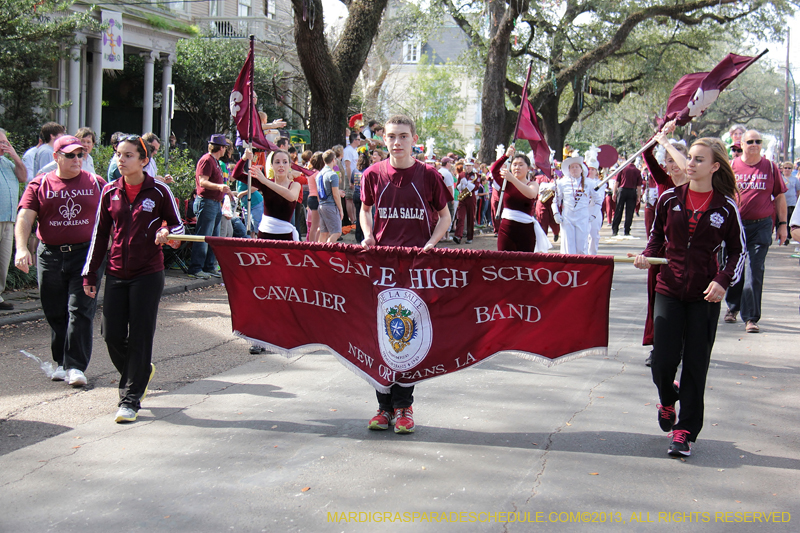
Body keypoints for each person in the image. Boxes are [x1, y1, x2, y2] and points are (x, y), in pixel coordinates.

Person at [633, 138, 744, 457]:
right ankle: (667, 400)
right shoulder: (669, 198)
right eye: (689, 158)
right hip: (668, 289)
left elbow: (738, 251)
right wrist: (646, 256)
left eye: (698, 159)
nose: (690, 163)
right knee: (663, 362)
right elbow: (656, 238)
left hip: (704, 297)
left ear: (714, 167)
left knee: (696, 364)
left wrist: (723, 280)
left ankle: (685, 431)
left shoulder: (726, 206)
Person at [360, 114, 452, 434]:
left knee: (405, 336)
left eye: (402, 136)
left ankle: (404, 407)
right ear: (383, 140)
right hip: (381, 267)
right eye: (390, 137)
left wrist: (429, 245)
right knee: (381, 336)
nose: (396, 142)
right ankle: (383, 408)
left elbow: (445, 216)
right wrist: (368, 234)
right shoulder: (372, 174)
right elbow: (365, 209)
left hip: (415, 269)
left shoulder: (428, 175)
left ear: (414, 138)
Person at [82, 135, 184, 423]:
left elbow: (178, 224)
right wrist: (90, 273)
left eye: (128, 155)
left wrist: (168, 234)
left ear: (144, 160)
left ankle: (129, 400)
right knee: (110, 334)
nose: (121, 160)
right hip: (115, 272)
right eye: (118, 155)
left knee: (140, 335)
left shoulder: (159, 191)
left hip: (148, 273)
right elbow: (99, 235)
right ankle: (140, 371)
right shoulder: (109, 192)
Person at [14, 135, 107, 386]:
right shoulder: (40, 183)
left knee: (80, 309)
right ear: (56, 157)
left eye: (81, 154)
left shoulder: (96, 183)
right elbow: (25, 218)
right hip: (50, 255)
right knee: (55, 310)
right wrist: (21, 248)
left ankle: (75, 366)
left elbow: (115, 215)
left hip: (86, 255)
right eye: (70, 155)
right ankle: (61, 362)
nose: (77, 159)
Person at [724, 130, 788, 333]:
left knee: (754, 270)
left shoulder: (769, 167)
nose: (754, 144)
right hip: (735, 226)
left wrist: (783, 224)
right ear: (741, 144)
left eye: (758, 141)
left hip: (761, 226)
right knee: (735, 268)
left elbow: (779, 197)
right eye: (750, 141)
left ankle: (751, 318)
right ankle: (733, 307)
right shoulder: (731, 167)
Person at [641, 123, 689, 366]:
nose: (671, 165)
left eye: (676, 160)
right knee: (656, 299)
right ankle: (657, 346)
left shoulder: (695, 186)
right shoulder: (662, 180)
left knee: (682, 301)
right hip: (659, 250)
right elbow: (646, 153)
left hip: (685, 253)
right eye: (668, 160)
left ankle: (681, 345)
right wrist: (661, 132)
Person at [188, 134, 232, 279]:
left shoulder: (215, 161)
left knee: (213, 237)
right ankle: (196, 268)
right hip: (206, 202)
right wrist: (219, 187)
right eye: (225, 147)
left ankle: (209, 266)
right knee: (203, 236)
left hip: (214, 203)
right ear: (221, 147)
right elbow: (203, 181)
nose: (226, 150)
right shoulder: (207, 160)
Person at [489, 146, 541, 252]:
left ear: (528, 168)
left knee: (525, 262)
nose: (517, 168)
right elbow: (494, 170)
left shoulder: (533, 184)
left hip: (526, 229)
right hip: (507, 228)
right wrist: (506, 156)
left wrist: (512, 179)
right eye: (514, 164)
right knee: (504, 260)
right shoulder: (506, 183)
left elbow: (531, 194)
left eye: (521, 165)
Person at [245, 149, 301, 241]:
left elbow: (291, 197)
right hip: (265, 233)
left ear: (290, 165)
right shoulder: (265, 182)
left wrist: (265, 181)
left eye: (285, 162)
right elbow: (237, 174)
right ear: (272, 165)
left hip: (285, 234)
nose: (281, 165)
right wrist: (244, 158)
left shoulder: (295, 185)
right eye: (277, 162)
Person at [0, 129, 27, 310]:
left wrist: (16, 157)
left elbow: (23, 177)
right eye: (1, 142)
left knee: (3, 261)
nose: (4, 145)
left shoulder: (8, 163)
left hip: (9, 220)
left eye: (6, 142)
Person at [553, 155, 593, 254]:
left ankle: (582, 267)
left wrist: (593, 214)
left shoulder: (590, 183)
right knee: (568, 246)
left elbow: (597, 200)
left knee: (582, 245)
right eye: (572, 167)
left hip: (582, 217)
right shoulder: (561, 183)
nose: (574, 169)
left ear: (581, 169)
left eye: (577, 167)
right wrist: (556, 213)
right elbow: (555, 200)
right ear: (569, 169)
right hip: (567, 217)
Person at [317, 150, 344, 243]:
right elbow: (336, 195)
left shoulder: (319, 174)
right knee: (337, 232)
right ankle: (327, 251)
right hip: (330, 205)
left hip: (321, 205)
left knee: (324, 233)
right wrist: (341, 209)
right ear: (333, 160)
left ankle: (319, 253)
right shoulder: (333, 175)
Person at [611, 163, 643, 236]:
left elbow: (617, 182)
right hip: (632, 191)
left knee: (619, 210)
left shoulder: (622, 168)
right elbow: (639, 186)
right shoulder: (637, 171)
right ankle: (627, 230)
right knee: (629, 212)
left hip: (622, 190)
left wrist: (614, 192)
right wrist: (638, 196)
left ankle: (615, 229)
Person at [453, 162, 478, 244]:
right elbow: (457, 186)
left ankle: (469, 237)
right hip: (463, 198)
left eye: (470, 165)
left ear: (472, 166)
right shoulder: (461, 174)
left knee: (470, 217)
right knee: (460, 217)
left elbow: (476, 187)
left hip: (471, 197)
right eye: (467, 165)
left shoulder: (476, 175)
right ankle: (458, 236)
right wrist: (461, 185)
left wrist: (467, 184)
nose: (468, 167)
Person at [586, 159, 606, 255]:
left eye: (593, 169)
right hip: (583, 211)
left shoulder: (600, 184)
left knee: (594, 236)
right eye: (589, 169)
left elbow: (600, 199)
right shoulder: (582, 182)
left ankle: (592, 255)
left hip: (595, 211)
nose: (590, 171)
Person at [305, 152, 324, 242]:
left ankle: (312, 243)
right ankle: (313, 244)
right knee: (317, 226)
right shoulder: (318, 174)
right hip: (316, 199)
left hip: (311, 198)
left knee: (314, 226)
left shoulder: (310, 172)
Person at [780, 161, 800, 244]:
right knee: (782, 220)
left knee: (789, 219)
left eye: (789, 168)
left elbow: (798, 190)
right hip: (782, 203)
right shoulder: (780, 178)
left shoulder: (795, 179)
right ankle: (782, 236)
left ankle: (787, 237)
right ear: (782, 169)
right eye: (785, 168)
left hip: (792, 203)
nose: (787, 169)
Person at [438, 157, 456, 241]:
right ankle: (445, 235)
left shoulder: (440, 171)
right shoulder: (447, 173)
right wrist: (451, 198)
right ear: (447, 163)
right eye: (450, 163)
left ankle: (443, 235)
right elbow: (449, 187)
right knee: (448, 216)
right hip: (446, 198)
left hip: (441, 197)